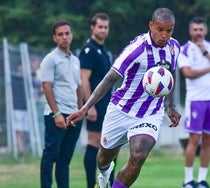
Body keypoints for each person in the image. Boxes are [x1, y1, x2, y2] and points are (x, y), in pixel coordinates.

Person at [67, 7, 181, 188]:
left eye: (169, 30)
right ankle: (103, 174)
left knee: (138, 155)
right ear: (151, 25)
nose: (164, 35)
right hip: (121, 110)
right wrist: (85, 108)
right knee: (104, 157)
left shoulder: (174, 47)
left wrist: (170, 106)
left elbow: (170, 74)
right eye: (160, 29)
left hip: (150, 113)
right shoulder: (137, 49)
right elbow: (110, 78)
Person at [178, 17, 210, 188]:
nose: (198, 33)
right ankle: (187, 180)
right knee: (194, 139)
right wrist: (209, 68)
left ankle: (201, 179)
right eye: (195, 29)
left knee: (209, 140)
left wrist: (207, 54)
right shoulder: (185, 50)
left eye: (201, 29)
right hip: (195, 100)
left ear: (205, 31)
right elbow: (188, 73)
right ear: (190, 31)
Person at [40, 20, 83, 188]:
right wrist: (57, 114)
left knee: (65, 159)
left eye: (67, 33)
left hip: (73, 115)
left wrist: (80, 110)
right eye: (60, 34)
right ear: (54, 38)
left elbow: (78, 86)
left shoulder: (75, 60)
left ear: (71, 35)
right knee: (50, 156)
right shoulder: (50, 59)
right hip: (56, 115)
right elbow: (46, 86)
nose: (64, 37)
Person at [79, 12, 116, 188]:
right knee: (94, 142)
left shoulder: (104, 51)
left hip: (108, 103)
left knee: (110, 142)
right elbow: (83, 78)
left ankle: (109, 183)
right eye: (99, 26)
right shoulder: (89, 50)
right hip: (96, 104)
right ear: (92, 27)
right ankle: (91, 184)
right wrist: (89, 106)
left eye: (105, 27)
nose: (103, 30)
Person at [11, 64, 29, 156]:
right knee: (19, 130)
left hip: (25, 108)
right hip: (16, 108)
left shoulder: (27, 79)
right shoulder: (12, 79)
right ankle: (20, 149)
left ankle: (23, 149)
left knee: (23, 131)